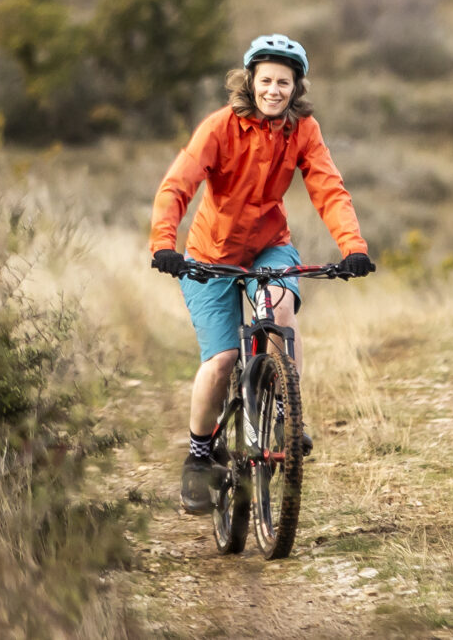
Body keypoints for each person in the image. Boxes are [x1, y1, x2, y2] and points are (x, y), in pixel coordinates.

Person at [150, 32, 377, 516]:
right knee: (224, 358)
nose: (274, 90)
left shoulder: (303, 130)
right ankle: (198, 456)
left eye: (285, 83)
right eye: (267, 80)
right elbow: (177, 186)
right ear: (249, 82)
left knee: (279, 310)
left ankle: (284, 414)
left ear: (297, 89)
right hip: (209, 254)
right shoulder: (219, 127)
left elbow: (328, 189)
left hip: (269, 246)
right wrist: (163, 244)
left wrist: (353, 247)